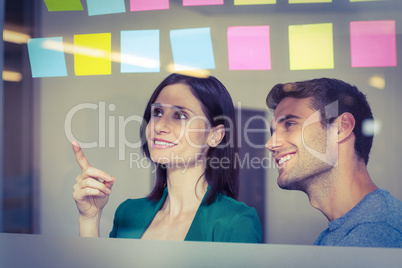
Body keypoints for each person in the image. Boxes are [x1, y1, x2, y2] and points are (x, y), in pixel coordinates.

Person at [72, 73, 262, 243]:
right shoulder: (128, 213)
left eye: (179, 115)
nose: (159, 126)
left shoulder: (236, 222)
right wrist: (89, 219)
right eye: (157, 112)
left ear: (215, 136)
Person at [265, 78, 401, 248]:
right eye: (274, 131)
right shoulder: (342, 233)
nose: (270, 144)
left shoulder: (376, 234)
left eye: (290, 124)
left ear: (341, 128)